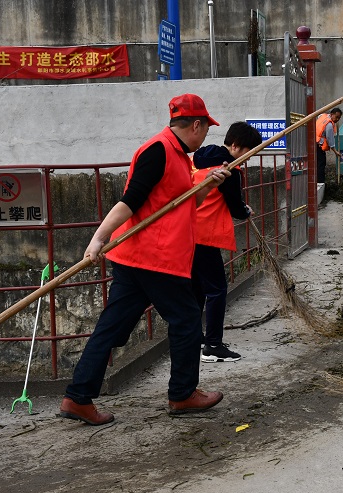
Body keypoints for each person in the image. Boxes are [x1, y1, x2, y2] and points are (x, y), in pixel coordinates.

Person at [59, 94, 230, 425]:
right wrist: (98, 238)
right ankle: (182, 395)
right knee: (187, 321)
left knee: (111, 329)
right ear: (196, 125)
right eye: (206, 129)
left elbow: (179, 207)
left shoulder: (179, 156)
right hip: (155, 258)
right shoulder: (159, 150)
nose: (206, 135)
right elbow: (130, 201)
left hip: (139, 258)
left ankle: (77, 397)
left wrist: (208, 186)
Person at [191, 121, 263, 363]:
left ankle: (195, 338)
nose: (248, 158)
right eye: (248, 152)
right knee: (217, 290)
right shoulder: (228, 170)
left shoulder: (199, 159)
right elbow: (234, 206)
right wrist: (244, 211)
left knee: (197, 289)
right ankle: (212, 346)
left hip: (186, 233)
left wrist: (241, 207)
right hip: (206, 235)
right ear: (235, 146)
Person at [315, 107, 342, 184]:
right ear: (332, 114)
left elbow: (318, 116)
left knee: (316, 164)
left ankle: (317, 181)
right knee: (321, 164)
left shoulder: (323, 116)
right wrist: (335, 151)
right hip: (319, 146)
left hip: (313, 143)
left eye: (339, 118)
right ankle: (320, 182)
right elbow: (330, 140)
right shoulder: (329, 125)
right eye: (336, 117)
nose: (337, 119)